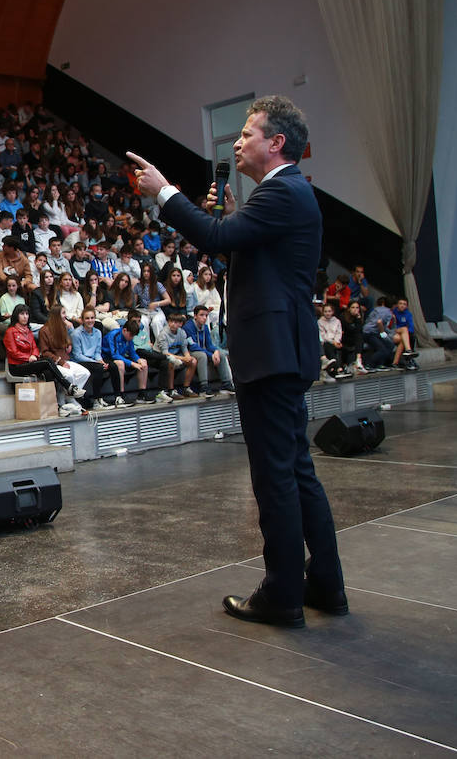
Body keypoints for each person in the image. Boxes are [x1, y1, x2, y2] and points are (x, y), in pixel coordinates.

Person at [129, 94, 346, 628]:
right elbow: (241, 242)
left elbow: (217, 238)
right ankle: (324, 585)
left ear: (276, 143)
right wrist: (230, 217)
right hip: (282, 348)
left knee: (276, 477)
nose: (238, 141)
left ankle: (282, 595)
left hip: (271, 353)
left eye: (248, 132)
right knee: (296, 471)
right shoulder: (284, 195)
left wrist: (165, 193)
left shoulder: (283, 191)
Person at [2, 307, 83, 401]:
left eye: (27, 314)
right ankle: (69, 387)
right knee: (47, 361)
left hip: (29, 362)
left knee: (48, 372)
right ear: (17, 316)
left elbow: (35, 348)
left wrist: (34, 355)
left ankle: (55, 403)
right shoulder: (10, 331)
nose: (25, 317)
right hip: (16, 366)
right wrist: (28, 357)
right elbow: (13, 351)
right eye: (22, 314)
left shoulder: (28, 331)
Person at [185, 305, 234, 396]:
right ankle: (204, 387)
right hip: (190, 352)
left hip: (202, 350)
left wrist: (215, 351)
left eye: (206, 316)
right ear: (195, 316)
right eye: (201, 315)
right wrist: (210, 354)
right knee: (202, 356)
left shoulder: (206, 327)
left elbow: (209, 345)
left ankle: (226, 384)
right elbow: (193, 346)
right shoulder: (188, 327)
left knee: (221, 354)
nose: (204, 318)